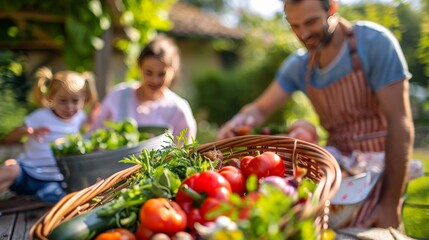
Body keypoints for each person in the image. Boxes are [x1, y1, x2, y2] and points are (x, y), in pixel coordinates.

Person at [217, 0, 414, 229]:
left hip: (382, 170)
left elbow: (400, 124)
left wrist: (390, 205)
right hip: (335, 169)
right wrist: (238, 123)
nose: (304, 33)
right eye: (295, 25)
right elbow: (260, 108)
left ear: (331, 8)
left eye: (311, 22)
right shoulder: (300, 66)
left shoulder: (373, 44)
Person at [0, 67, 98, 203]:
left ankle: (42, 196)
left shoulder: (80, 117)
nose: (69, 107)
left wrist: (91, 123)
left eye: (75, 101)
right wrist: (25, 131)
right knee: (9, 170)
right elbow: (9, 138)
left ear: (84, 99)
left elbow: (85, 133)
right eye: (63, 101)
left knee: (61, 195)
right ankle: (39, 196)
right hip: (28, 173)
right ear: (51, 98)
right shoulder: (40, 117)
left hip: (55, 179)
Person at [90, 35, 197, 140]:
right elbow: (93, 136)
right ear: (139, 68)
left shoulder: (178, 110)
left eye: (162, 74)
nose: (155, 80)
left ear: (173, 71)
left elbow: (185, 150)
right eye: (148, 72)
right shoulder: (118, 96)